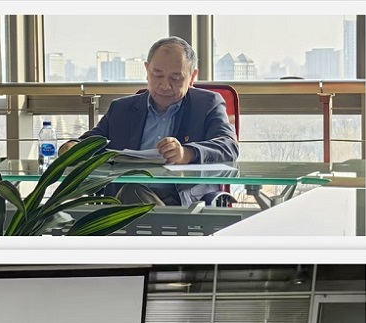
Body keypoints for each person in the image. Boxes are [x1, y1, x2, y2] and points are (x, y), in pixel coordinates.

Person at [58, 36, 239, 206]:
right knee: (129, 192)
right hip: (121, 201)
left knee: (132, 193)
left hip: (180, 206)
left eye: (175, 78)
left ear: (192, 78)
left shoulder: (207, 104)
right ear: (146, 71)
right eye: (157, 75)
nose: (164, 86)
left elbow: (229, 146)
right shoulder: (121, 109)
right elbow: (91, 142)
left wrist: (187, 153)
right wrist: (72, 147)